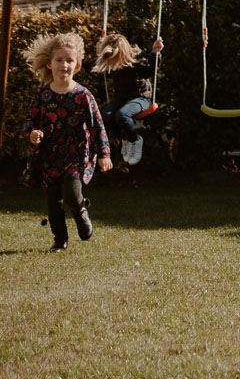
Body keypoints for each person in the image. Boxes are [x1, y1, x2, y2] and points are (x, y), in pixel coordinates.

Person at [20, 32, 112, 252]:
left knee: (71, 192)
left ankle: (80, 210)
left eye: (69, 60)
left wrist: (105, 154)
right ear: (50, 64)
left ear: (77, 66)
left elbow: (97, 125)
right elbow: (30, 121)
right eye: (59, 60)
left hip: (76, 153)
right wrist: (32, 133)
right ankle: (59, 240)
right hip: (49, 155)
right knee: (53, 201)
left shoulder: (83, 95)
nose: (64, 65)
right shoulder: (42, 95)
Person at [92, 32, 164, 166]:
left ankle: (135, 140)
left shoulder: (137, 57)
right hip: (121, 98)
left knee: (122, 115)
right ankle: (125, 138)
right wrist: (100, 48)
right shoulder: (111, 60)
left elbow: (150, 71)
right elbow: (100, 71)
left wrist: (155, 53)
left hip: (141, 97)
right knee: (105, 118)